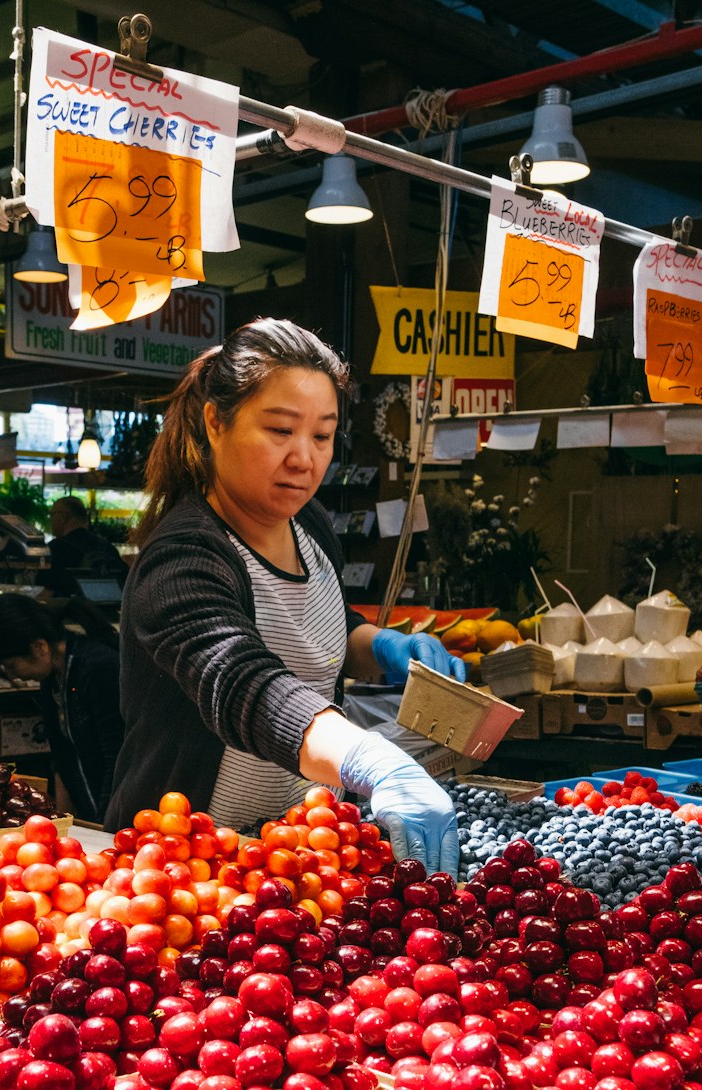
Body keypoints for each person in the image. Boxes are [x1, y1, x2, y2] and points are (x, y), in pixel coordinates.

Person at [106, 317, 466, 875]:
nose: (304, 457)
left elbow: (316, 624)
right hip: (185, 867)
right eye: (280, 431)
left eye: (322, 436)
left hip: (290, 852)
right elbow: (243, 681)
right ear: (215, 423)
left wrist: (378, 645)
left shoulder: (310, 525)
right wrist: (369, 761)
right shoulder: (181, 560)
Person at [0, 593, 124, 824]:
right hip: (92, 818)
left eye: (11, 665)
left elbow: (117, 758)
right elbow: (62, 757)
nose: (12, 675)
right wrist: (60, 821)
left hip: (116, 817)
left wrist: (104, 825)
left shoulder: (98, 668)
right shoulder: (52, 677)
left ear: (39, 646)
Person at [43, 494, 128, 596]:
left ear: (63, 517)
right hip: (106, 610)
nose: (50, 520)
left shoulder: (54, 549)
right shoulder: (108, 548)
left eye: (52, 515)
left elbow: (42, 592)